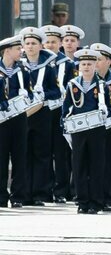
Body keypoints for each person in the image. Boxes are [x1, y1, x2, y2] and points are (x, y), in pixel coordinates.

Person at [62, 49, 111, 214]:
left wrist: (107, 112)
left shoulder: (102, 85)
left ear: (95, 66)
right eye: (83, 64)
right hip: (78, 130)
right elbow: (65, 108)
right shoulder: (72, 85)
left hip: (96, 129)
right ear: (78, 66)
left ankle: (96, 202)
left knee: (97, 165)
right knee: (79, 166)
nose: (86, 67)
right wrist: (64, 123)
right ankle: (82, 201)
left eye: (90, 64)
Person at [21, 27, 59, 207]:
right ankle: (24, 192)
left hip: (42, 113)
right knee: (24, 153)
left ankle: (40, 193)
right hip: (22, 114)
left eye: (33, 43)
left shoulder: (49, 65)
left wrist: (44, 94)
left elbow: (56, 91)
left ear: (40, 45)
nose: (30, 47)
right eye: (27, 43)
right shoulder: (18, 65)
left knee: (42, 153)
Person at [41, 24, 72, 203]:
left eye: (53, 42)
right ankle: (45, 189)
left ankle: (61, 190)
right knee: (44, 151)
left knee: (61, 153)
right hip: (44, 111)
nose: (50, 45)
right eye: (47, 42)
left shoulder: (67, 64)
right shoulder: (39, 61)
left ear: (59, 43)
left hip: (60, 111)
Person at [0, 35, 31, 208]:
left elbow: (31, 90)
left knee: (20, 156)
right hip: (1, 119)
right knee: (1, 157)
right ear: (7, 51)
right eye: (18, 49)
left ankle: (18, 195)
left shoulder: (23, 70)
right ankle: (1, 196)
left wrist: (29, 94)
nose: (21, 51)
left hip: (19, 117)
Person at [89, 42, 111, 212]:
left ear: (108, 61)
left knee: (107, 163)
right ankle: (91, 196)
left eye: (100, 59)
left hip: (109, 126)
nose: (97, 63)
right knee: (91, 163)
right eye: (95, 60)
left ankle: (107, 197)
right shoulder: (87, 80)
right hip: (91, 127)